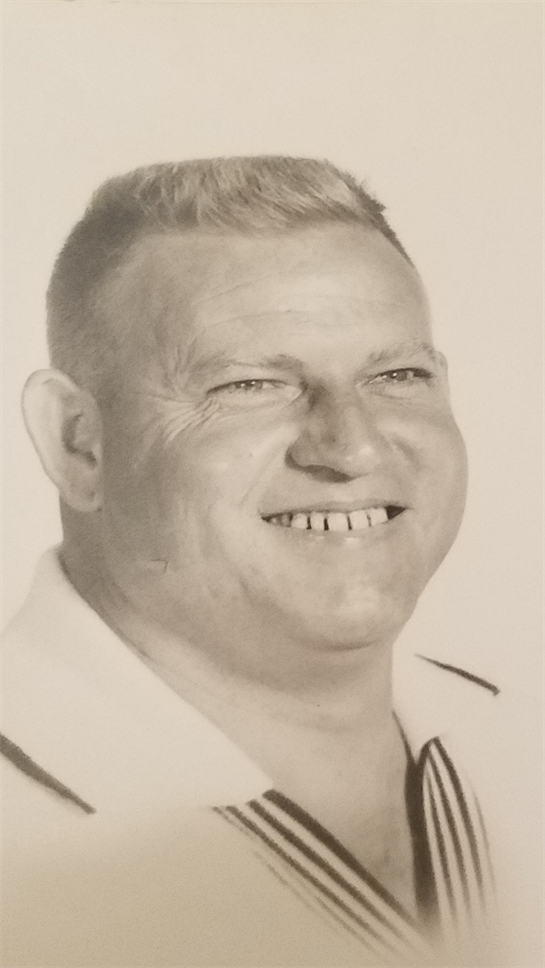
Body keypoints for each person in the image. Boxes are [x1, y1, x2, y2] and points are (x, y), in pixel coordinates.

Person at [0, 157, 537, 968]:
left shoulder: (521, 738)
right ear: (78, 442)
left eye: (396, 375)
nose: (352, 447)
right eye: (250, 385)